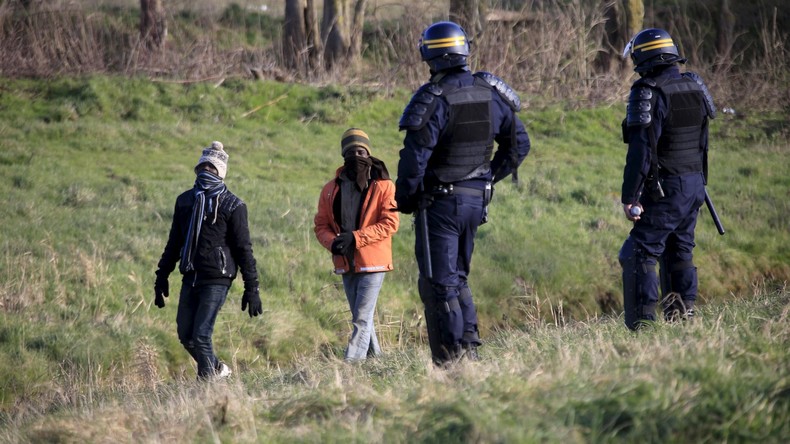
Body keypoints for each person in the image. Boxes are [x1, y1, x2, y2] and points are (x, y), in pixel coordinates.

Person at [395, 21, 531, 366]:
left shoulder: (433, 99)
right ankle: (468, 346)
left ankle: (451, 361)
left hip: (439, 204)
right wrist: (486, 179)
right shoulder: (490, 92)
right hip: (475, 201)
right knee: (458, 277)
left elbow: (414, 160)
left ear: (432, 56)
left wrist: (406, 200)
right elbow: (519, 146)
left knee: (440, 284)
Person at [619, 28, 716, 330]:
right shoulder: (694, 86)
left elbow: (641, 151)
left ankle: (643, 326)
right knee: (679, 251)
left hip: (666, 189)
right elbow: (703, 141)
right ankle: (682, 318)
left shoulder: (647, 91)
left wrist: (629, 196)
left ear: (643, 58)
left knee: (638, 251)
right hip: (695, 186)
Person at [154, 141, 262, 380]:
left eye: (212, 168)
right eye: (202, 166)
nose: (206, 172)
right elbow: (174, 242)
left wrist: (251, 288)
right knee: (186, 335)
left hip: (218, 277)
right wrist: (161, 276)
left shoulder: (234, 205)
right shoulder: (185, 201)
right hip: (190, 275)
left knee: (202, 335)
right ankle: (218, 370)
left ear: (221, 173)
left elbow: (244, 249)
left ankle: (206, 388)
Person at [314, 128, 400, 362]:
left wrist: (356, 237)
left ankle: (350, 365)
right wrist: (333, 243)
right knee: (362, 316)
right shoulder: (330, 189)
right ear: (344, 156)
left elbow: (390, 224)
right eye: (351, 152)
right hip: (345, 262)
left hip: (374, 263)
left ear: (369, 153)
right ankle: (377, 361)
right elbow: (321, 225)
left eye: (361, 151)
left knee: (361, 318)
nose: (357, 156)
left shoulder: (384, 186)